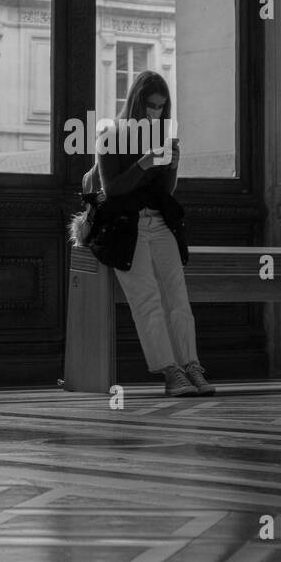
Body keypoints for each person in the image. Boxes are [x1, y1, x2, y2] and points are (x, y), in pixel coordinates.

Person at [82, 71, 215, 398]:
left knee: (178, 299)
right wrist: (144, 162)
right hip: (125, 227)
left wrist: (171, 166)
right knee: (148, 301)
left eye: (161, 107)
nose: (155, 113)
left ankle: (191, 365)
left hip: (159, 221)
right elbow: (112, 189)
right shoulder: (109, 134)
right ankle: (171, 372)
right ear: (136, 102)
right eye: (150, 105)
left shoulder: (159, 135)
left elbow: (163, 192)